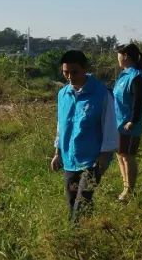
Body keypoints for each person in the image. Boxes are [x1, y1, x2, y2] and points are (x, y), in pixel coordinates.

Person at [51, 50, 118, 218]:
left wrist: (104, 156)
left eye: (75, 72)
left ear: (85, 69)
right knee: (73, 204)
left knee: (82, 205)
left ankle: (75, 239)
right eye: (66, 72)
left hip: (92, 161)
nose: (70, 76)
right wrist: (57, 152)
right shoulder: (63, 94)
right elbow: (61, 125)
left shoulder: (102, 94)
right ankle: (85, 237)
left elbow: (110, 127)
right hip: (69, 159)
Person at [112, 43, 142, 201]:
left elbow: (139, 101)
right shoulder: (124, 75)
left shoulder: (137, 76)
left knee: (128, 156)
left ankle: (130, 191)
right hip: (118, 122)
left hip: (129, 124)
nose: (117, 58)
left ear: (125, 56)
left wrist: (133, 120)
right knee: (120, 155)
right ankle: (125, 187)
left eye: (118, 54)